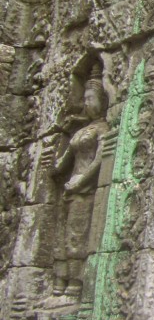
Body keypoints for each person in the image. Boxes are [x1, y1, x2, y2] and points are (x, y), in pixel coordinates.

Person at [51, 65, 109, 297]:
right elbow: (62, 164)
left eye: (90, 98)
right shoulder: (80, 131)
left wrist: (80, 182)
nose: (86, 103)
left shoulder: (102, 129)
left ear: (103, 101)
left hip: (84, 188)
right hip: (70, 187)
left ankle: (74, 286)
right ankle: (59, 283)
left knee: (77, 235)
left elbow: (99, 160)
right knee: (61, 237)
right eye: (84, 99)